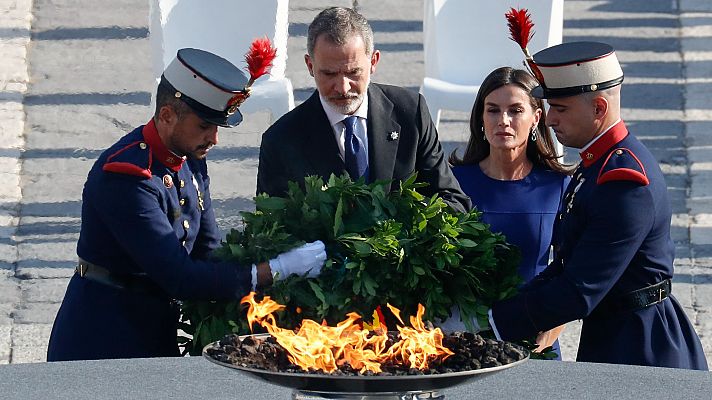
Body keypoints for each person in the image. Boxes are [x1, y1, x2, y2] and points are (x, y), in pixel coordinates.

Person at [47, 48, 327, 361]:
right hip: (104, 336)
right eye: (204, 126)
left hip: (155, 327)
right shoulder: (127, 176)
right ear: (167, 115)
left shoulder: (189, 160)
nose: (214, 139)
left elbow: (208, 251)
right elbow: (179, 276)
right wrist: (273, 270)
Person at [488, 41, 708, 370]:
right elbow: (566, 264)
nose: (549, 121)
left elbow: (580, 289)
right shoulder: (597, 164)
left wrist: (493, 326)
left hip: (642, 348)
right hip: (613, 335)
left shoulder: (623, 182)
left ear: (599, 108)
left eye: (560, 109)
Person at [256, 6, 471, 213]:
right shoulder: (281, 140)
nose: (342, 87)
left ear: (374, 61)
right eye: (329, 74)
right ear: (310, 66)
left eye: (353, 73)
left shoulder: (411, 114)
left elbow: (453, 200)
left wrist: (406, 224)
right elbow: (271, 229)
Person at [447, 66, 571, 359]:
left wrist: (546, 334)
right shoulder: (452, 184)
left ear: (536, 118)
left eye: (515, 110)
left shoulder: (559, 186)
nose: (503, 120)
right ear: (481, 117)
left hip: (536, 336)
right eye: (492, 110)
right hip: (464, 339)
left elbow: (574, 274)